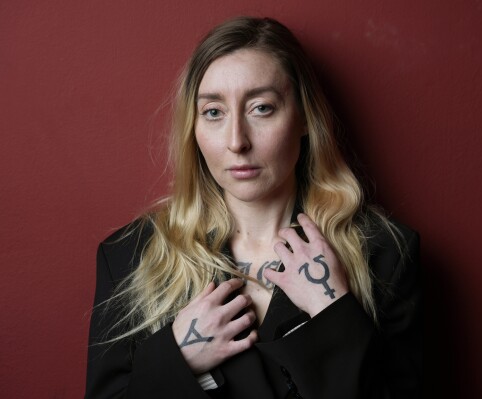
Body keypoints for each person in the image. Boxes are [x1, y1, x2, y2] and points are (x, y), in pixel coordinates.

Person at [85, 16, 421, 399]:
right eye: (214, 112)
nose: (236, 142)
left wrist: (334, 315)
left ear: (304, 118)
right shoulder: (129, 257)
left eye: (261, 108)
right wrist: (177, 359)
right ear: (193, 128)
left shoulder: (386, 254)